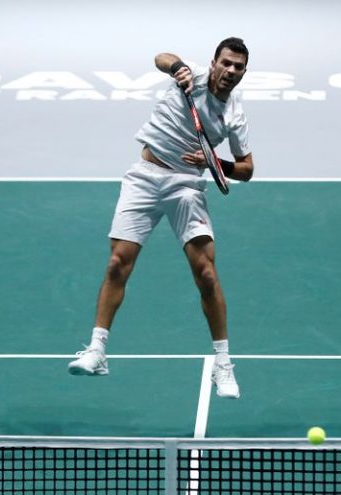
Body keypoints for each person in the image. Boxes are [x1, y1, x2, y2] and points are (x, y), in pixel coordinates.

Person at [68, 37, 254, 399]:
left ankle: (223, 364)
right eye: (226, 63)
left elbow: (247, 169)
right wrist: (176, 67)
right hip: (145, 177)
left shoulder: (234, 115)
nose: (231, 71)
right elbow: (161, 57)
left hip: (186, 186)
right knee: (118, 263)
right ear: (213, 63)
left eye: (239, 67)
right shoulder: (192, 76)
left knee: (206, 273)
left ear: (244, 72)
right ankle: (97, 350)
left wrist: (215, 162)